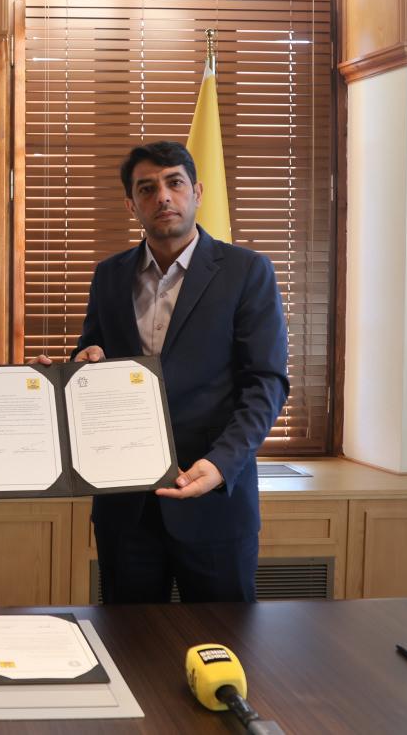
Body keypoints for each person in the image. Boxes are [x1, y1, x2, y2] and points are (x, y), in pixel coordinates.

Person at [67, 140, 288, 603]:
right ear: (131, 204)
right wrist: (82, 364)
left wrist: (221, 464)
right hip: (125, 509)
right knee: (129, 639)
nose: (163, 197)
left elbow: (265, 383)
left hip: (214, 500)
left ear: (197, 192)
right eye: (147, 188)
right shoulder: (109, 276)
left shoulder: (247, 271)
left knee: (223, 638)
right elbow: (90, 356)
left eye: (175, 183)